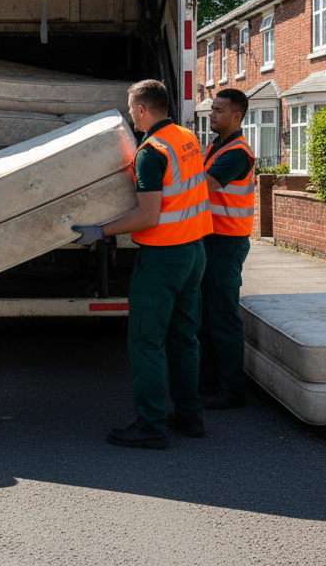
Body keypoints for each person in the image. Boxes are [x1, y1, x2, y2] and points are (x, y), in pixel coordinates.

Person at [72, 79, 212, 448]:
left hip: (164, 257)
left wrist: (100, 230)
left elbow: (148, 215)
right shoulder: (186, 137)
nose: (131, 115)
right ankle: (189, 415)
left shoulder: (151, 151)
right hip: (194, 252)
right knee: (183, 338)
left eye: (131, 108)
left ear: (143, 110)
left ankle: (150, 426)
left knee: (146, 342)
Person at [198, 89, 254, 409]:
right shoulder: (217, 147)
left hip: (226, 243)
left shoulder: (236, 153)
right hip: (211, 240)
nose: (212, 114)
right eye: (212, 109)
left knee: (223, 318)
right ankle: (208, 382)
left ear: (236, 117)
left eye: (219, 111)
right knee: (206, 318)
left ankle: (233, 389)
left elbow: (202, 187)